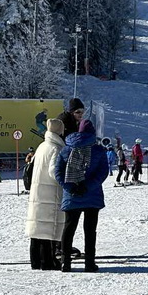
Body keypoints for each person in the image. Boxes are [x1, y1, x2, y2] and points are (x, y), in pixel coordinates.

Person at [55, 119, 109, 273]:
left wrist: (71, 187)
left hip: (72, 196)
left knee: (69, 228)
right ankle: (89, 263)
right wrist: (87, 186)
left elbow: (57, 172)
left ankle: (65, 262)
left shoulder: (66, 149)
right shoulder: (98, 150)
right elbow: (102, 173)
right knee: (90, 230)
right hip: (92, 196)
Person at [25, 117, 66, 271]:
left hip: (38, 192)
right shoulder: (56, 148)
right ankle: (48, 261)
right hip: (50, 192)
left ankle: (35, 261)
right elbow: (54, 170)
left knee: (37, 227)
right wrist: (65, 181)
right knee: (48, 228)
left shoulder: (42, 146)